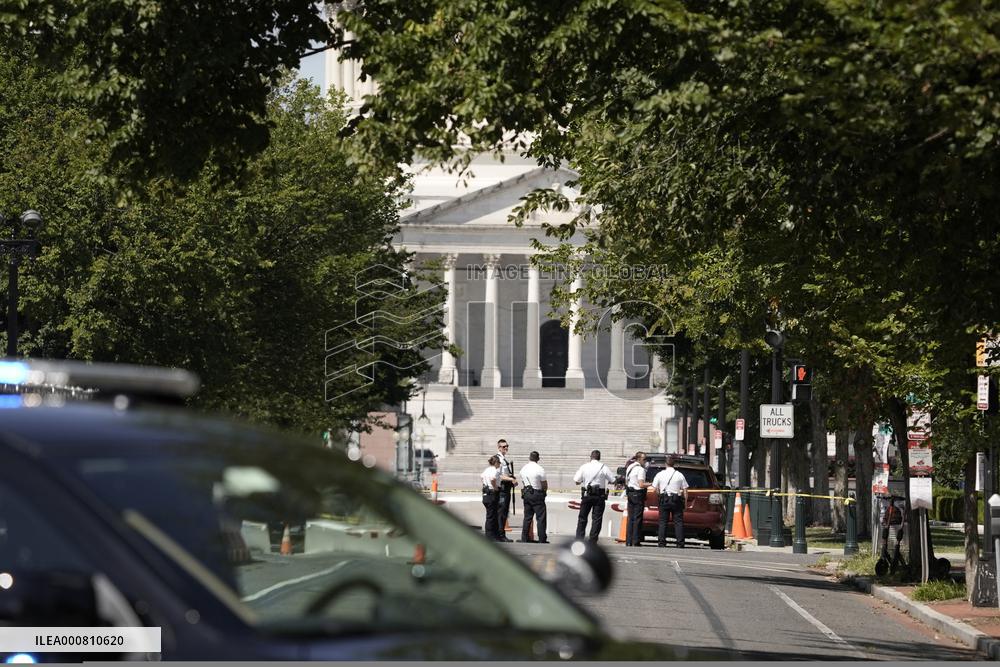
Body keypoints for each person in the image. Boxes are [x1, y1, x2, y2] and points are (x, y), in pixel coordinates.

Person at [572, 450, 615, 542]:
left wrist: (585, 480)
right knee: (597, 519)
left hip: (587, 494)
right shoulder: (603, 467)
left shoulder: (584, 466)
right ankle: (593, 540)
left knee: (582, 518)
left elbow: (576, 481)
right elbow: (613, 480)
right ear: (599, 457)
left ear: (590, 457)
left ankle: (579, 538)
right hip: (599, 496)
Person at [651, 455, 689, 548]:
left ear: (665, 464)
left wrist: (659, 494)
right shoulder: (679, 475)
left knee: (663, 521)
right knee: (678, 522)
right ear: (674, 464)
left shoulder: (660, 474)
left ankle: (661, 542)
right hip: (676, 500)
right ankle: (680, 543)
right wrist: (685, 502)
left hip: (664, 499)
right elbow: (685, 490)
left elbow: (654, 488)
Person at [518, 451, 548, 543]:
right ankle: (542, 538)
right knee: (540, 518)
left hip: (527, 493)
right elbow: (544, 484)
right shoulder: (540, 469)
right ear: (538, 459)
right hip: (537, 493)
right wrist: (543, 492)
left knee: (527, 517)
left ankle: (524, 537)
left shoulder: (523, 469)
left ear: (529, 458)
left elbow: (523, 480)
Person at [625, 451, 651, 547]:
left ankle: (628, 540)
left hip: (630, 493)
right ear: (639, 459)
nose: (645, 461)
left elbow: (627, 481)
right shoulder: (641, 470)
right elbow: (641, 484)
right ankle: (635, 540)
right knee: (637, 518)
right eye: (644, 459)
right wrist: (651, 484)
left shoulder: (630, 467)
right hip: (638, 493)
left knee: (630, 518)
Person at [495, 439, 517, 542]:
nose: (506, 448)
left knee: (503, 513)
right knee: (502, 513)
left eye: (507, 446)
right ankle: (500, 535)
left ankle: (500, 534)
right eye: (504, 447)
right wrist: (511, 479)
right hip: (503, 489)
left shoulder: (503, 459)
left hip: (506, 488)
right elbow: (500, 476)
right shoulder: (499, 459)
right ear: (499, 447)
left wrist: (511, 477)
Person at [481, 455, 502, 541]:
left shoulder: (487, 469)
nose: (500, 464)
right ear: (496, 462)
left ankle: (493, 534)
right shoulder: (494, 470)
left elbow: (481, 477)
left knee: (491, 515)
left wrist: (485, 485)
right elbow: (493, 478)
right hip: (492, 493)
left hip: (486, 493)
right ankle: (490, 535)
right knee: (491, 516)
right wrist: (495, 487)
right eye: (499, 462)